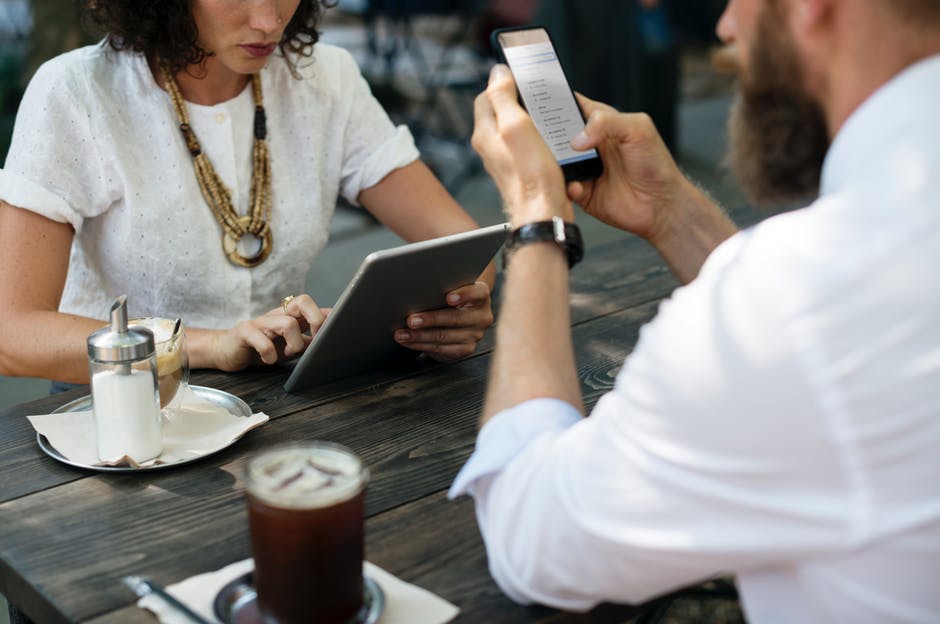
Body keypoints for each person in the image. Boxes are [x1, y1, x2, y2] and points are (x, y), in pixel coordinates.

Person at [450, 0, 940, 621]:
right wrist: (672, 210)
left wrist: (536, 219)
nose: (725, 26)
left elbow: (536, 539)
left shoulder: (806, 297)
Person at [0, 0, 495, 385]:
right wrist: (210, 346)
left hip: (277, 403)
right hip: (119, 414)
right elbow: (12, 336)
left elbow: (465, 248)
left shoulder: (324, 78)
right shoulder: (77, 93)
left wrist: (455, 310)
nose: (268, 21)